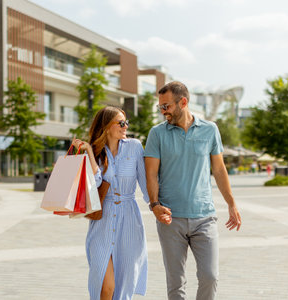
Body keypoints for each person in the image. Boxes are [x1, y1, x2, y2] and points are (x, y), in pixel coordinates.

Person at [144, 81, 242, 300]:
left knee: (210, 276)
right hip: (171, 218)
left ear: (183, 102)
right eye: (160, 107)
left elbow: (218, 169)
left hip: (204, 217)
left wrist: (231, 204)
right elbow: (150, 173)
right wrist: (154, 205)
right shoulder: (157, 133)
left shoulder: (210, 130)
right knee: (176, 282)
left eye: (166, 106)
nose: (163, 111)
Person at [72, 106, 149, 300]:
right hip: (102, 222)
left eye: (126, 123)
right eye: (121, 123)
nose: (126, 127)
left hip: (129, 221)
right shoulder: (96, 151)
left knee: (124, 286)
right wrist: (89, 152)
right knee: (105, 286)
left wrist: (157, 206)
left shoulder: (135, 146)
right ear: (107, 127)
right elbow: (95, 182)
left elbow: (146, 183)